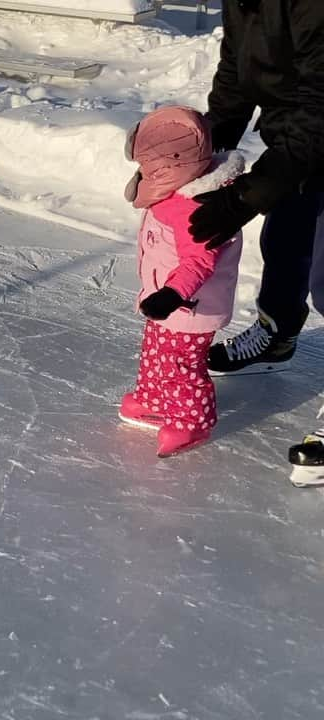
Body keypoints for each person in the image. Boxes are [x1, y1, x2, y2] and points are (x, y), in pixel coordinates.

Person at [187, 0, 324, 376]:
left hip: (311, 136)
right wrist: (201, 157)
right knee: (285, 240)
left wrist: (248, 196)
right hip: (295, 144)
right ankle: (277, 335)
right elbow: (235, 74)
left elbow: (319, 109)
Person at [120, 105, 244, 457]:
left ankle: (193, 423)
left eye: (149, 166)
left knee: (179, 364)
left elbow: (200, 260)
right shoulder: (173, 191)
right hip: (165, 295)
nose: (144, 173)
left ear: (174, 164)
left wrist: (173, 294)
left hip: (189, 304)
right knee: (156, 350)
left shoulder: (195, 206)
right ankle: (153, 398)